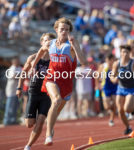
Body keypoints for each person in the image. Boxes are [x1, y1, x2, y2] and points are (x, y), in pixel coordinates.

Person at [31, 17, 87, 145]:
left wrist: (76, 47)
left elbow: (83, 62)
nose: (64, 32)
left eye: (67, 30)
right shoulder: (50, 43)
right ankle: (48, 135)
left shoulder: (71, 45)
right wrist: (33, 66)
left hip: (66, 82)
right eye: (62, 29)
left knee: (55, 111)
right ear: (56, 30)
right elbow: (40, 51)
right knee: (56, 100)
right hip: (51, 78)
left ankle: (50, 128)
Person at [16, 33, 56, 150]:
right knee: (29, 124)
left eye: (50, 41)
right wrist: (19, 87)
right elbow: (23, 73)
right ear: (41, 43)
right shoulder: (32, 58)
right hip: (33, 92)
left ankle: (28, 146)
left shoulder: (54, 60)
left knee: (40, 122)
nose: (48, 43)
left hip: (46, 94)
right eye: (46, 41)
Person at [111, 45, 134, 135]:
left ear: (129, 53)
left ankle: (132, 107)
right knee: (120, 110)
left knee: (127, 109)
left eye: (126, 52)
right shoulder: (116, 63)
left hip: (131, 89)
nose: (124, 54)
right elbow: (112, 76)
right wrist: (114, 79)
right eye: (123, 52)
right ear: (120, 53)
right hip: (120, 89)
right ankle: (128, 127)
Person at [96, 53, 117, 126]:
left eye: (110, 60)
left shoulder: (115, 66)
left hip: (114, 87)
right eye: (107, 60)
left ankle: (111, 119)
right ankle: (110, 109)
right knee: (107, 106)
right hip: (105, 88)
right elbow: (97, 75)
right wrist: (97, 85)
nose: (109, 62)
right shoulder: (103, 66)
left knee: (115, 103)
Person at [4, 57, 22, 125]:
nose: (18, 62)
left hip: (17, 90)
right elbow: (13, 76)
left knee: (15, 106)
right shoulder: (12, 68)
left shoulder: (19, 68)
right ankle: (7, 120)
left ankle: (13, 120)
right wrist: (20, 76)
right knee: (10, 105)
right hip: (11, 90)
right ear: (13, 62)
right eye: (17, 61)